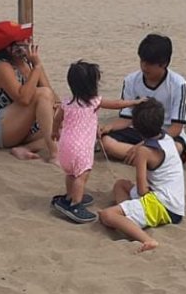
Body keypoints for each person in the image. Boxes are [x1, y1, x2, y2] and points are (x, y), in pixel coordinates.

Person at [50, 60, 145, 224]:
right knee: (82, 176)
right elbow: (116, 104)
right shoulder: (94, 102)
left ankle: (69, 196)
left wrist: (54, 132)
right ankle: (74, 204)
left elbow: (57, 119)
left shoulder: (66, 103)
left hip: (65, 146)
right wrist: (135, 102)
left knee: (71, 173)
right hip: (81, 149)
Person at [97, 99, 185, 253]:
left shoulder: (143, 152)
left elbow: (142, 188)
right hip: (173, 202)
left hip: (163, 205)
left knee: (107, 215)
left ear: (136, 127)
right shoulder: (166, 137)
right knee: (120, 185)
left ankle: (147, 239)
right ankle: (131, 217)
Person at [0, 21, 59, 161]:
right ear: (10, 49)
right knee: (42, 94)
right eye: (23, 41)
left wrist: (36, 66)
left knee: (65, 126)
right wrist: (37, 67)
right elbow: (24, 99)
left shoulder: (26, 63)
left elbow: (52, 97)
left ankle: (24, 149)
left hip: (20, 125)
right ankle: (55, 155)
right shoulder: (2, 66)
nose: (28, 43)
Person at [99, 33, 186, 162]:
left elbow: (176, 128)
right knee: (106, 142)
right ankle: (149, 159)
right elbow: (127, 119)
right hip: (138, 131)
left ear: (164, 63)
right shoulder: (131, 80)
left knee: (177, 147)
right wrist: (110, 127)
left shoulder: (178, 84)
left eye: (150, 63)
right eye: (142, 61)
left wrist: (146, 144)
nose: (144, 67)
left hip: (166, 134)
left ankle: (143, 157)